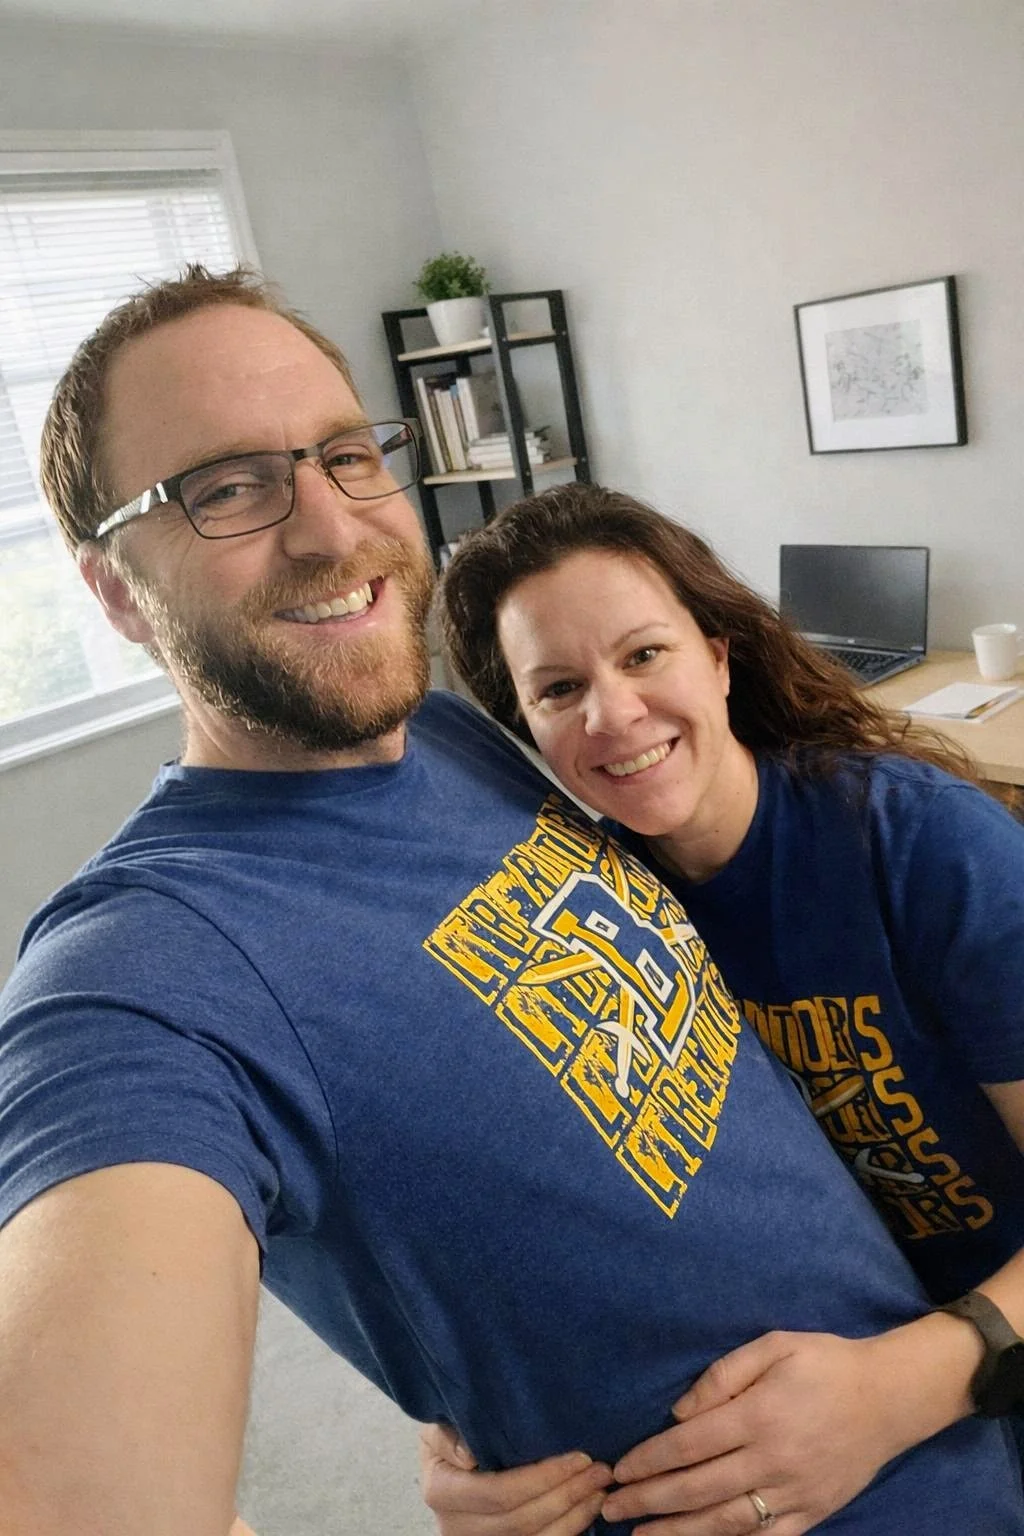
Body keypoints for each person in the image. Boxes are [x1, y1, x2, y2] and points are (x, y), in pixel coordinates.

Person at [0, 270, 1020, 1536]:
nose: (328, 529)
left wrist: (479, 1371)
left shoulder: (448, 739)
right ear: (111, 592)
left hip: (968, 1424)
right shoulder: (140, 974)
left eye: (344, 455)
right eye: (225, 489)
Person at [429, 480, 1024, 1535]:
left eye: (643, 654)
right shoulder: (590, 918)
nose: (612, 714)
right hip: (833, 1342)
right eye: (559, 688)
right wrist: (480, 1444)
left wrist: (902, 1390)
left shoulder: (921, 846)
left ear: (717, 654)